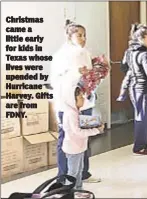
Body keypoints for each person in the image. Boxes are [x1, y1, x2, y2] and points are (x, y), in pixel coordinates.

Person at [50, 19, 101, 184]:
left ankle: (83, 172)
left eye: (84, 35)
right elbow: (56, 80)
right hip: (67, 104)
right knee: (66, 137)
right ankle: (63, 176)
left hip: (84, 103)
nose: (83, 38)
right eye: (79, 35)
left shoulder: (84, 53)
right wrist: (75, 73)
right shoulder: (61, 55)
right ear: (69, 36)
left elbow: (90, 79)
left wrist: (94, 75)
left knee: (83, 137)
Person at [120, 24, 147, 156]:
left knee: (143, 116)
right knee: (143, 118)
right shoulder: (144, 54)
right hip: (144, 89)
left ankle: (143, 144)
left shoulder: (129, 52)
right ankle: (139, 147)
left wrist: (134, 73)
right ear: (142, 38)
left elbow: (123, 68)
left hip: (134, 87)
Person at [61, 84, 104, 198]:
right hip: (73, 148)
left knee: (79, 171)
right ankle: (69, 192)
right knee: (73, 173)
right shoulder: (71, 113)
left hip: (79, 147)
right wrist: (96, 130)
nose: (83, 99)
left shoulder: (75, 111)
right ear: (72, 99)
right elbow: (77, 132)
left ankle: (78, 190)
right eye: (80, 97)